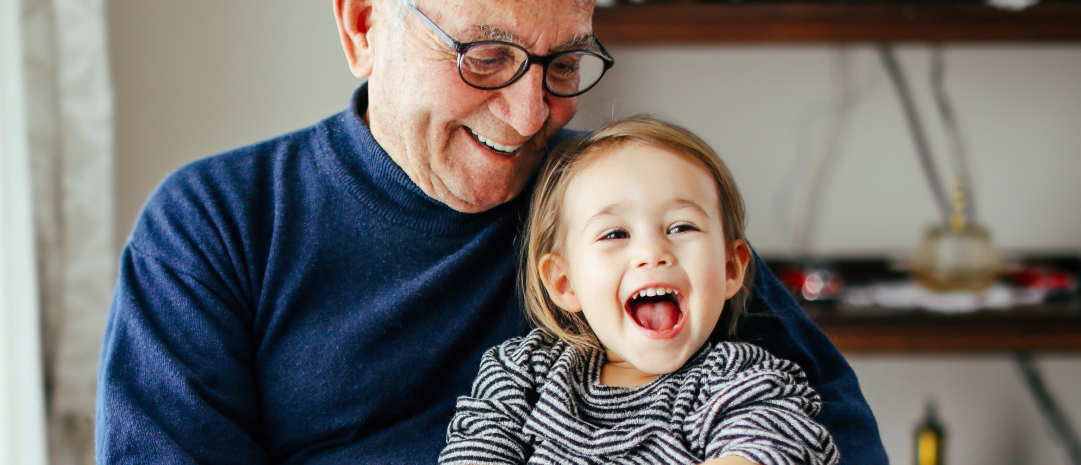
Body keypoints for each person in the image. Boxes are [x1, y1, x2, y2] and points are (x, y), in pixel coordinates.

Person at [97, 0, 886, 463]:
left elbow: (833, 426)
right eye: (484, 56)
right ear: (364, 24)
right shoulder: (216, 225)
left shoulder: (615, 202)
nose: (530, 114)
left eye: (564, 64)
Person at [440, 116, 838, 465]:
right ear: (565, 283)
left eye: (681, 227)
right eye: (615, 234)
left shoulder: (739, 378)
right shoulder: (521, 374)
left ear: (731, 267)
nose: (652, 252)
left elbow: (774, 440)